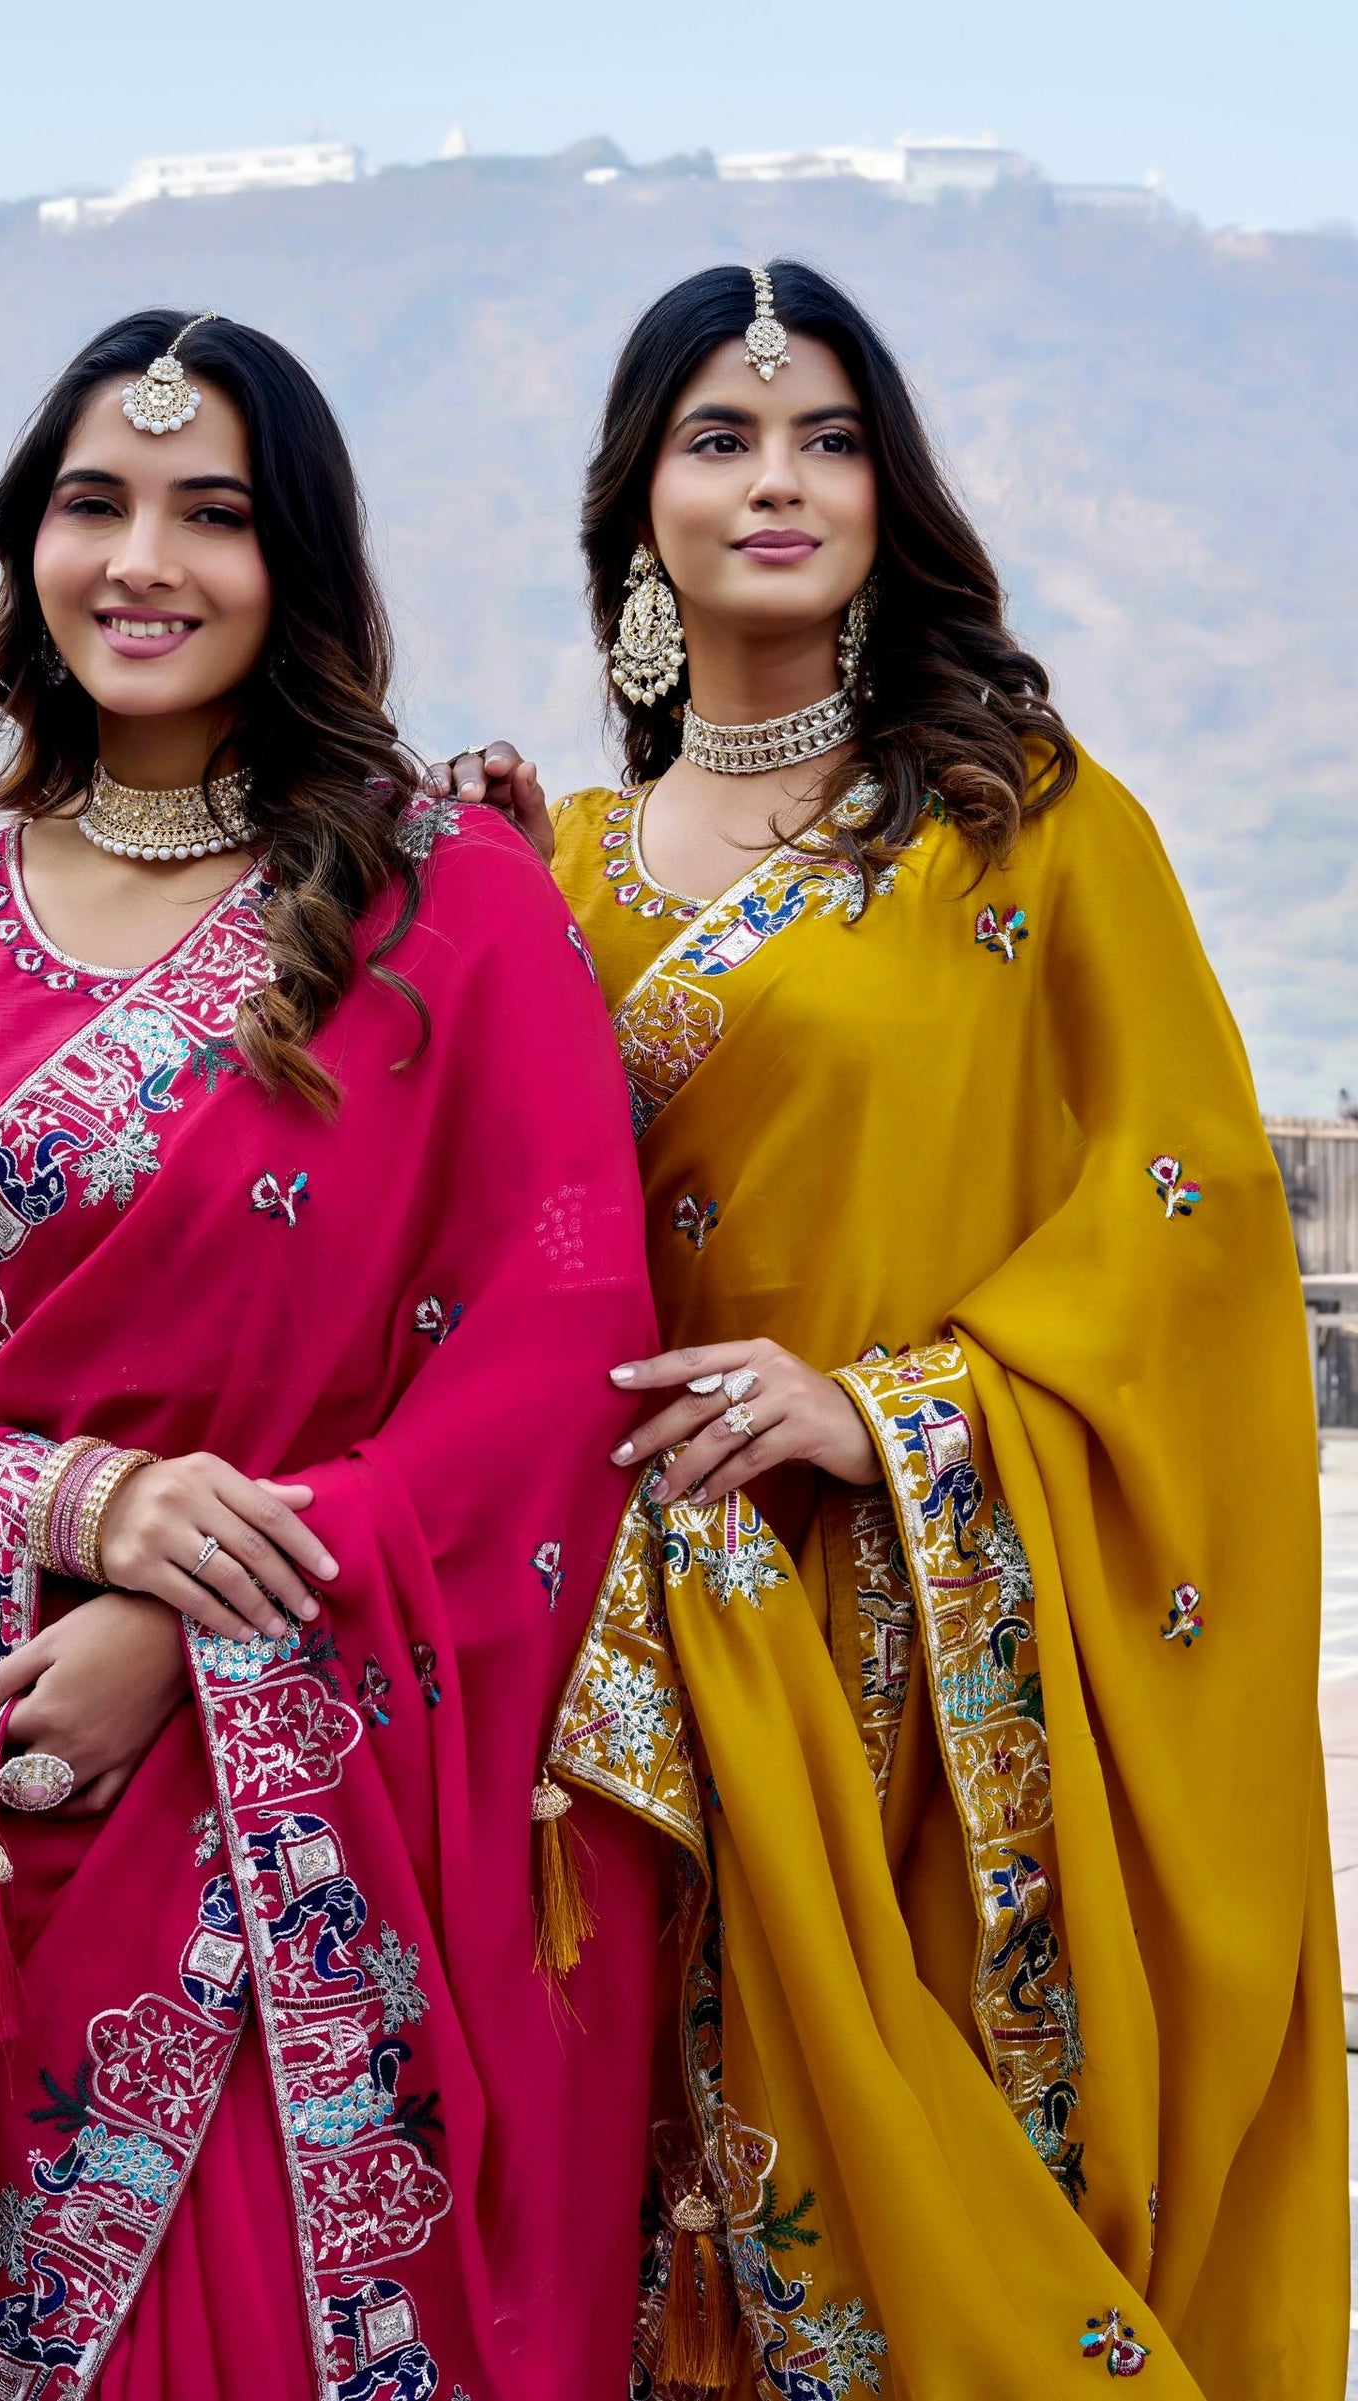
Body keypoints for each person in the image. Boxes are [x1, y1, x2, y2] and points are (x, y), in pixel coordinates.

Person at [431, 261, 1347, 2396]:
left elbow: (1178, 1212)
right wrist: (426, 906)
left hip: (935, 1651)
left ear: (888, 492)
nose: (779, 480)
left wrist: (887, 1409)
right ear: (634, 507)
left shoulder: (1019, 819)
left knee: (935, 2197)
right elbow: (463, 1241)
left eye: (830, 438)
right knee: (638, 2219)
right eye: (722, 437)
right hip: (620, 1669)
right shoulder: (545, 866)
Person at [0, 307, 662, 2400]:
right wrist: (80, 1504)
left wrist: (202, 1614)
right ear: (26, 547)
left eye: (213, 513)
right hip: (5, 1776)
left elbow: (555, 1346)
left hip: (308, 1789)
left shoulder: (447, 904)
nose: (142, 558)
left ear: (299, 573)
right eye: (95, 502)